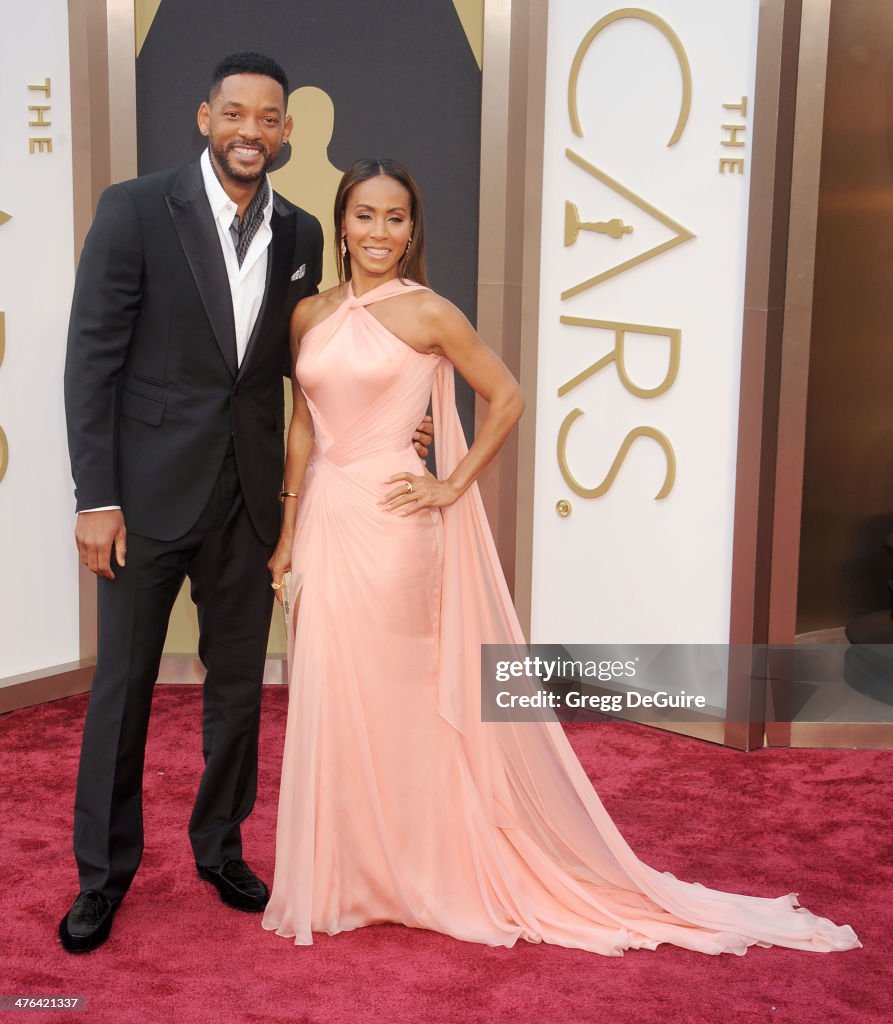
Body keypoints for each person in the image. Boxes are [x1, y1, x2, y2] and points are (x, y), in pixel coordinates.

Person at [260, 158, 860, 956]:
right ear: (341, 222)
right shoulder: (309, 314)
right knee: (336, 691)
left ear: (413, 231)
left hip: (398, 526)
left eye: (395, 218)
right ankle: (352, 872)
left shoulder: (431, 313)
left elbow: (505, 396)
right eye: (364, 215)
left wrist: (451, 486)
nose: (378, 232)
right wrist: (287, 531)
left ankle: (420, 868)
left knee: (403, 696)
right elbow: (304, 425)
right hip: (329, 523)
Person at [60, 53, 431, 954]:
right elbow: (91, 360)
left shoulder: (304, 233)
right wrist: (96, 497)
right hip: (143, 501)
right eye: (236, 114)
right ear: (204, 117)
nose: (251, 132)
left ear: (287, 131)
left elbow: (297, 375)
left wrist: (392, 423)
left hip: (249, 504)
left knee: (236, 694)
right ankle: (102, 878)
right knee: (123, 690)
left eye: (269, 119)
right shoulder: (135, 209)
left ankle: (219, 847)